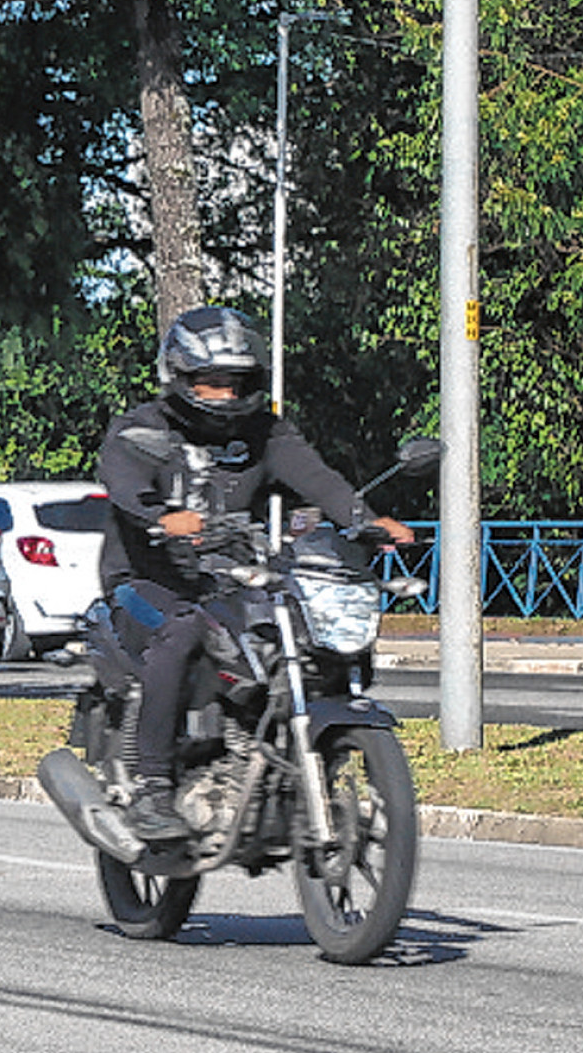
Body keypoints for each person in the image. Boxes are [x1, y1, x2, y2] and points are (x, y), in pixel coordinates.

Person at [98, 305, 415, 840]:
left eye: (235, 381)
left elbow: (318, 480)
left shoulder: (266, 433)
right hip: (147, 579)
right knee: (182, 631)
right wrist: (162, 516)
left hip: (233, 576)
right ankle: (152, 787)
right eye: (210, 381)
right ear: (179, 376)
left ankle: (270, 764)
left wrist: (366, 521)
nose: (223, 393)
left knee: (295, 641)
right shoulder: (142, 428)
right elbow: (126, 483)